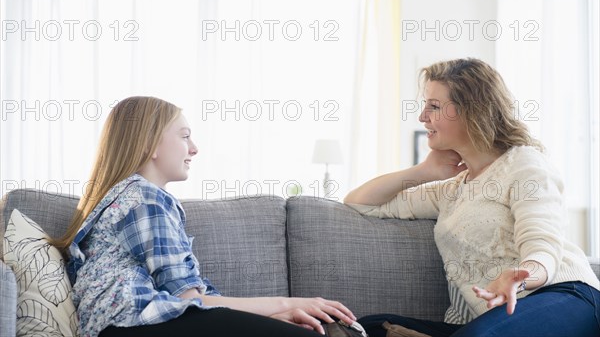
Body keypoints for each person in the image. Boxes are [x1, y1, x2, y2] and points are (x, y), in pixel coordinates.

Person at [51, 96, 357, 337]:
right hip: (134, 324)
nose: (194, 149)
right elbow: (188, 299)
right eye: (185, 136)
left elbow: (190, 300)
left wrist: (271, 316)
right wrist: (288, 303)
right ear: (148, 144)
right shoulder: (145, 197)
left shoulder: (125, 195)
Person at [343, 58, 600, 337]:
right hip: (496, 318)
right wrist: (424, 171)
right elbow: (360, 202)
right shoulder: (451, 190)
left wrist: (520, 278)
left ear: (472, 111)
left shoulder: (525, 165)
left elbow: (543, 247)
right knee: (369, 326)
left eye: (434, 106)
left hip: (563, 297)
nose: (422, 116)